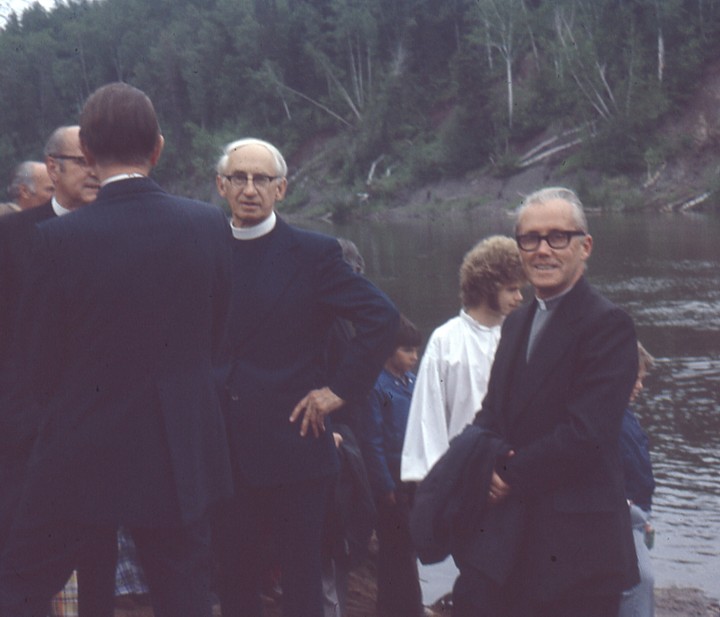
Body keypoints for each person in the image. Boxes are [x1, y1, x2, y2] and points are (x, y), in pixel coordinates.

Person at [0, 82, 234, 617]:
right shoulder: (207, 224)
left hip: (83, 451)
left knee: (18, 586)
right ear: (158, 148)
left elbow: (39, 362)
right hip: (178, 450)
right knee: (186, 597)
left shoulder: (58, 240)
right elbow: (218, 335)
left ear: (88, 151)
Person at [212, 137, 399, 617]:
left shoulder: (314, 254)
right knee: (233, 583)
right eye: (239, 178)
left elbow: (381, 318)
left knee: (301, 586)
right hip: (222, 448)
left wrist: (339, 391)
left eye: (262, 179)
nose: (250, 189)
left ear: (282, 189)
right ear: (221, 186)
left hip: (295, 444)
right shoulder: (203, 248)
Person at [453, 187, 639, 617]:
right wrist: (478, 464)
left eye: (558, 237)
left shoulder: (608, 325)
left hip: (578, 546)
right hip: (510, 536)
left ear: (584, 246)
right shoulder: (517, 321)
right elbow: (492, 412)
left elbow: (587, 435)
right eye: (530, 239)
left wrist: (507, 474)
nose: (543, 250)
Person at [401, 235, 525, 482]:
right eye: (512, 289)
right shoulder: (446, 340)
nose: (520, 297)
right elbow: (428, 418)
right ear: (487, 285)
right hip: (462, 474)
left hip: (514, 475)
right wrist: (437, 482)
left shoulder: (519, 335)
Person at [357, 315, 424, 617]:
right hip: (391, 478)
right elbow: (371, 442)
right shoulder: (376, 387)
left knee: (408, 544)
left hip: (412, 473)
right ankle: (398, 609)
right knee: (394, 547)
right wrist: (383, 486)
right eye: (407, 350)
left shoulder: (411, 381)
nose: (414, 357)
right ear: (388, 350)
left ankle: (409, 606)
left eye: (416, 350)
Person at [618, 342, 656, 617]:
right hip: (624, 513)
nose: (640, 386)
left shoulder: (626, 415)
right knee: (640, 579)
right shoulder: (606, 418)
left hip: (637, 512)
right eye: (637, 378)